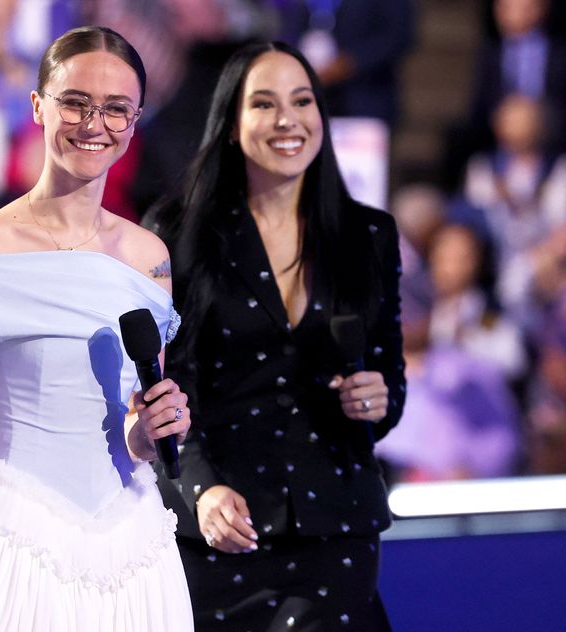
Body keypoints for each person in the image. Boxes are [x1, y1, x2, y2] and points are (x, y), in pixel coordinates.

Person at [0, 26, 193, 632]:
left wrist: (155, 428)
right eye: (76, 102)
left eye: (116, 108)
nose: (95, 123)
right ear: (38, 107)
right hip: (14, 541)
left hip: (131, 547)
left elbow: (133, 427)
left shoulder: (150, 258)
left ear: (135, 122)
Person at [145, 41, 405, 631]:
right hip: (220, 531)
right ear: (232, 126)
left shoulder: (370, 235)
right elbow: (161, 393)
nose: (288, 119)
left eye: (302, 100)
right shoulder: (176, 234)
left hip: (336, 529)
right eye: (264, 104)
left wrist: (375, 399)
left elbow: (389, 391)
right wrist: (201, 490)